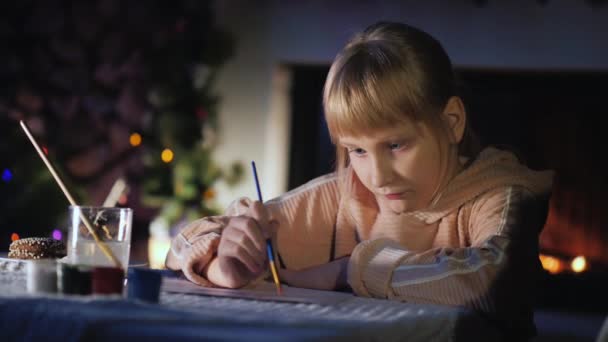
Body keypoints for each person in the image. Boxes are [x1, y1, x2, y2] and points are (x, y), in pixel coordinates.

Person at [165, 21, 553, 339]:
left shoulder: (499, 193)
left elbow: (490, 280)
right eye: (358, 150)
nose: (378, 177)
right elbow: (184, 244)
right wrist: (223, 263)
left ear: (451, 122)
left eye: (397, 145)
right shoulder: (348, 194)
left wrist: (351, 270)